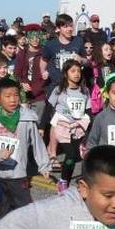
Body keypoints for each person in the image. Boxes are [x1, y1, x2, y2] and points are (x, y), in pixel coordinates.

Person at [0, 77, 51, 218]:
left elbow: (37, 144)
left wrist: (44, 165)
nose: (13, 100)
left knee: (24, 211)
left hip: (18, 174)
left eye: (16, 95)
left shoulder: (27, 118)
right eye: (8, 96)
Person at [47, 60, 90, 192]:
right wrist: (44, 127)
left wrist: (88, 129)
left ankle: (67, 180)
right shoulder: (59, 90)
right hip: (62, 127)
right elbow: (48, 109)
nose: (76, 74)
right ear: (66, 74)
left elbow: (88, 111)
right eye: (73, 71)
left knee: (75, 157)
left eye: (78, 71)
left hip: (78, 128)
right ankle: (63, 181)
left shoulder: (84, 91)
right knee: (71, 155)